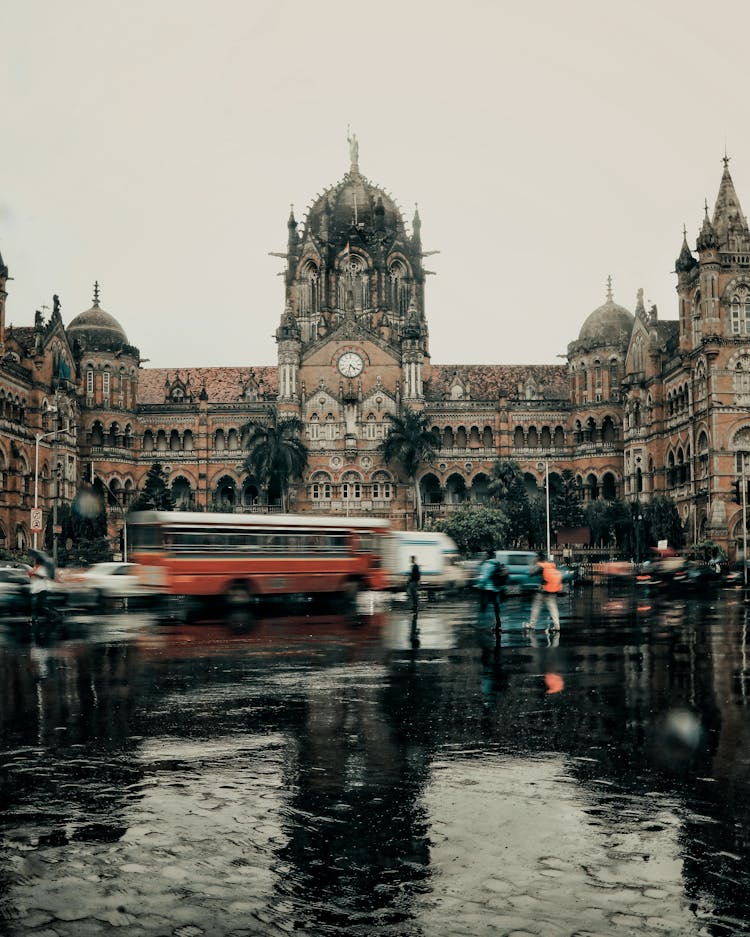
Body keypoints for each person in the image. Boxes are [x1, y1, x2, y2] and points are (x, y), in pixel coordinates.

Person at [524, 550, 562, 632]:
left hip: (543, 590)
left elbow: (531, 573)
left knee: (536, 607)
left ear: (538, 558)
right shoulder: (550, 565)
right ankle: (557, 626)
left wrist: (533, 563)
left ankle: (532, 624)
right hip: (552, 590)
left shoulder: (540, 566)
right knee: (553, 608)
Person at [476, 549, 505, 630]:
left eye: (486, 555)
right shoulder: (497, 564)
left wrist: (479, 585)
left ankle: (481, 623)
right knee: (496, 606)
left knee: (483, 606)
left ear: (488, 555)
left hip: (488, 588)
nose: (485, 556)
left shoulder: (487, 565)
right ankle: (498, 624)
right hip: (496, 588)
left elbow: (484, 577)